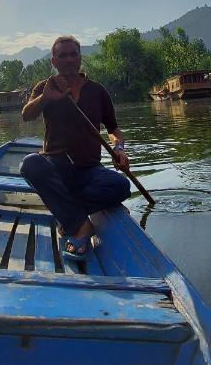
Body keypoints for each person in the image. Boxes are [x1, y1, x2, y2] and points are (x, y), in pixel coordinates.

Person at [21, 35, 131, 260]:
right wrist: (45, 98)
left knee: (121, 186)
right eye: (63, 55)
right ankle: (81, 225)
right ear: (54, 61)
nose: (69, 59)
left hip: (89, 169)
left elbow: (113, 129)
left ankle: (67, 213)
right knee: (30, 164)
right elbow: (26, 115)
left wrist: (119, 148)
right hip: (57, 166)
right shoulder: (45, 87)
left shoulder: (98, 91)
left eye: (73, 54)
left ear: (80, 57)